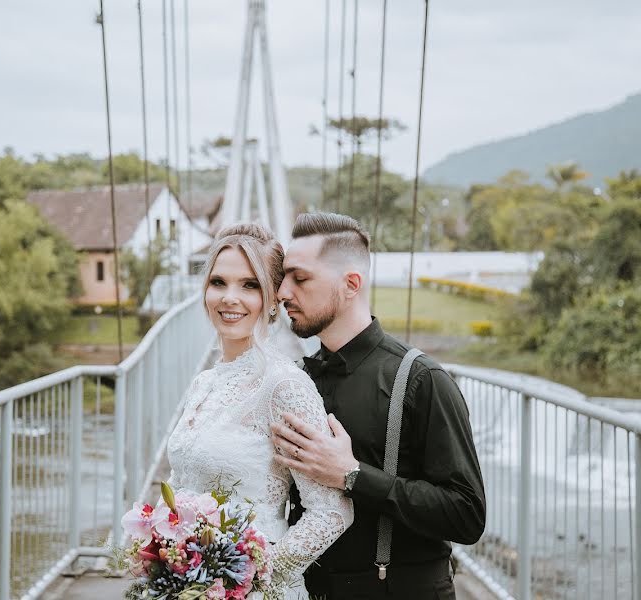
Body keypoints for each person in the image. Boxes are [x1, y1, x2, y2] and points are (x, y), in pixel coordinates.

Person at [271, 213, 486, 600]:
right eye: (283, 278)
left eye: (300, 278)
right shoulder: (295, 380)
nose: (283, 292)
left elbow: (467, 514)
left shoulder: (422, 380)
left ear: (351, 284)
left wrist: (353, 475)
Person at [166, 223, 354, 599]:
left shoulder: (285, 386)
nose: (229, 298)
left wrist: (251, 579)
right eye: (218, 283)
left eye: (249, 285)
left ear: (272, 300)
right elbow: (180, 481)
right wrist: (157, 548)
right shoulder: (204, 383)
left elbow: (332, 512)